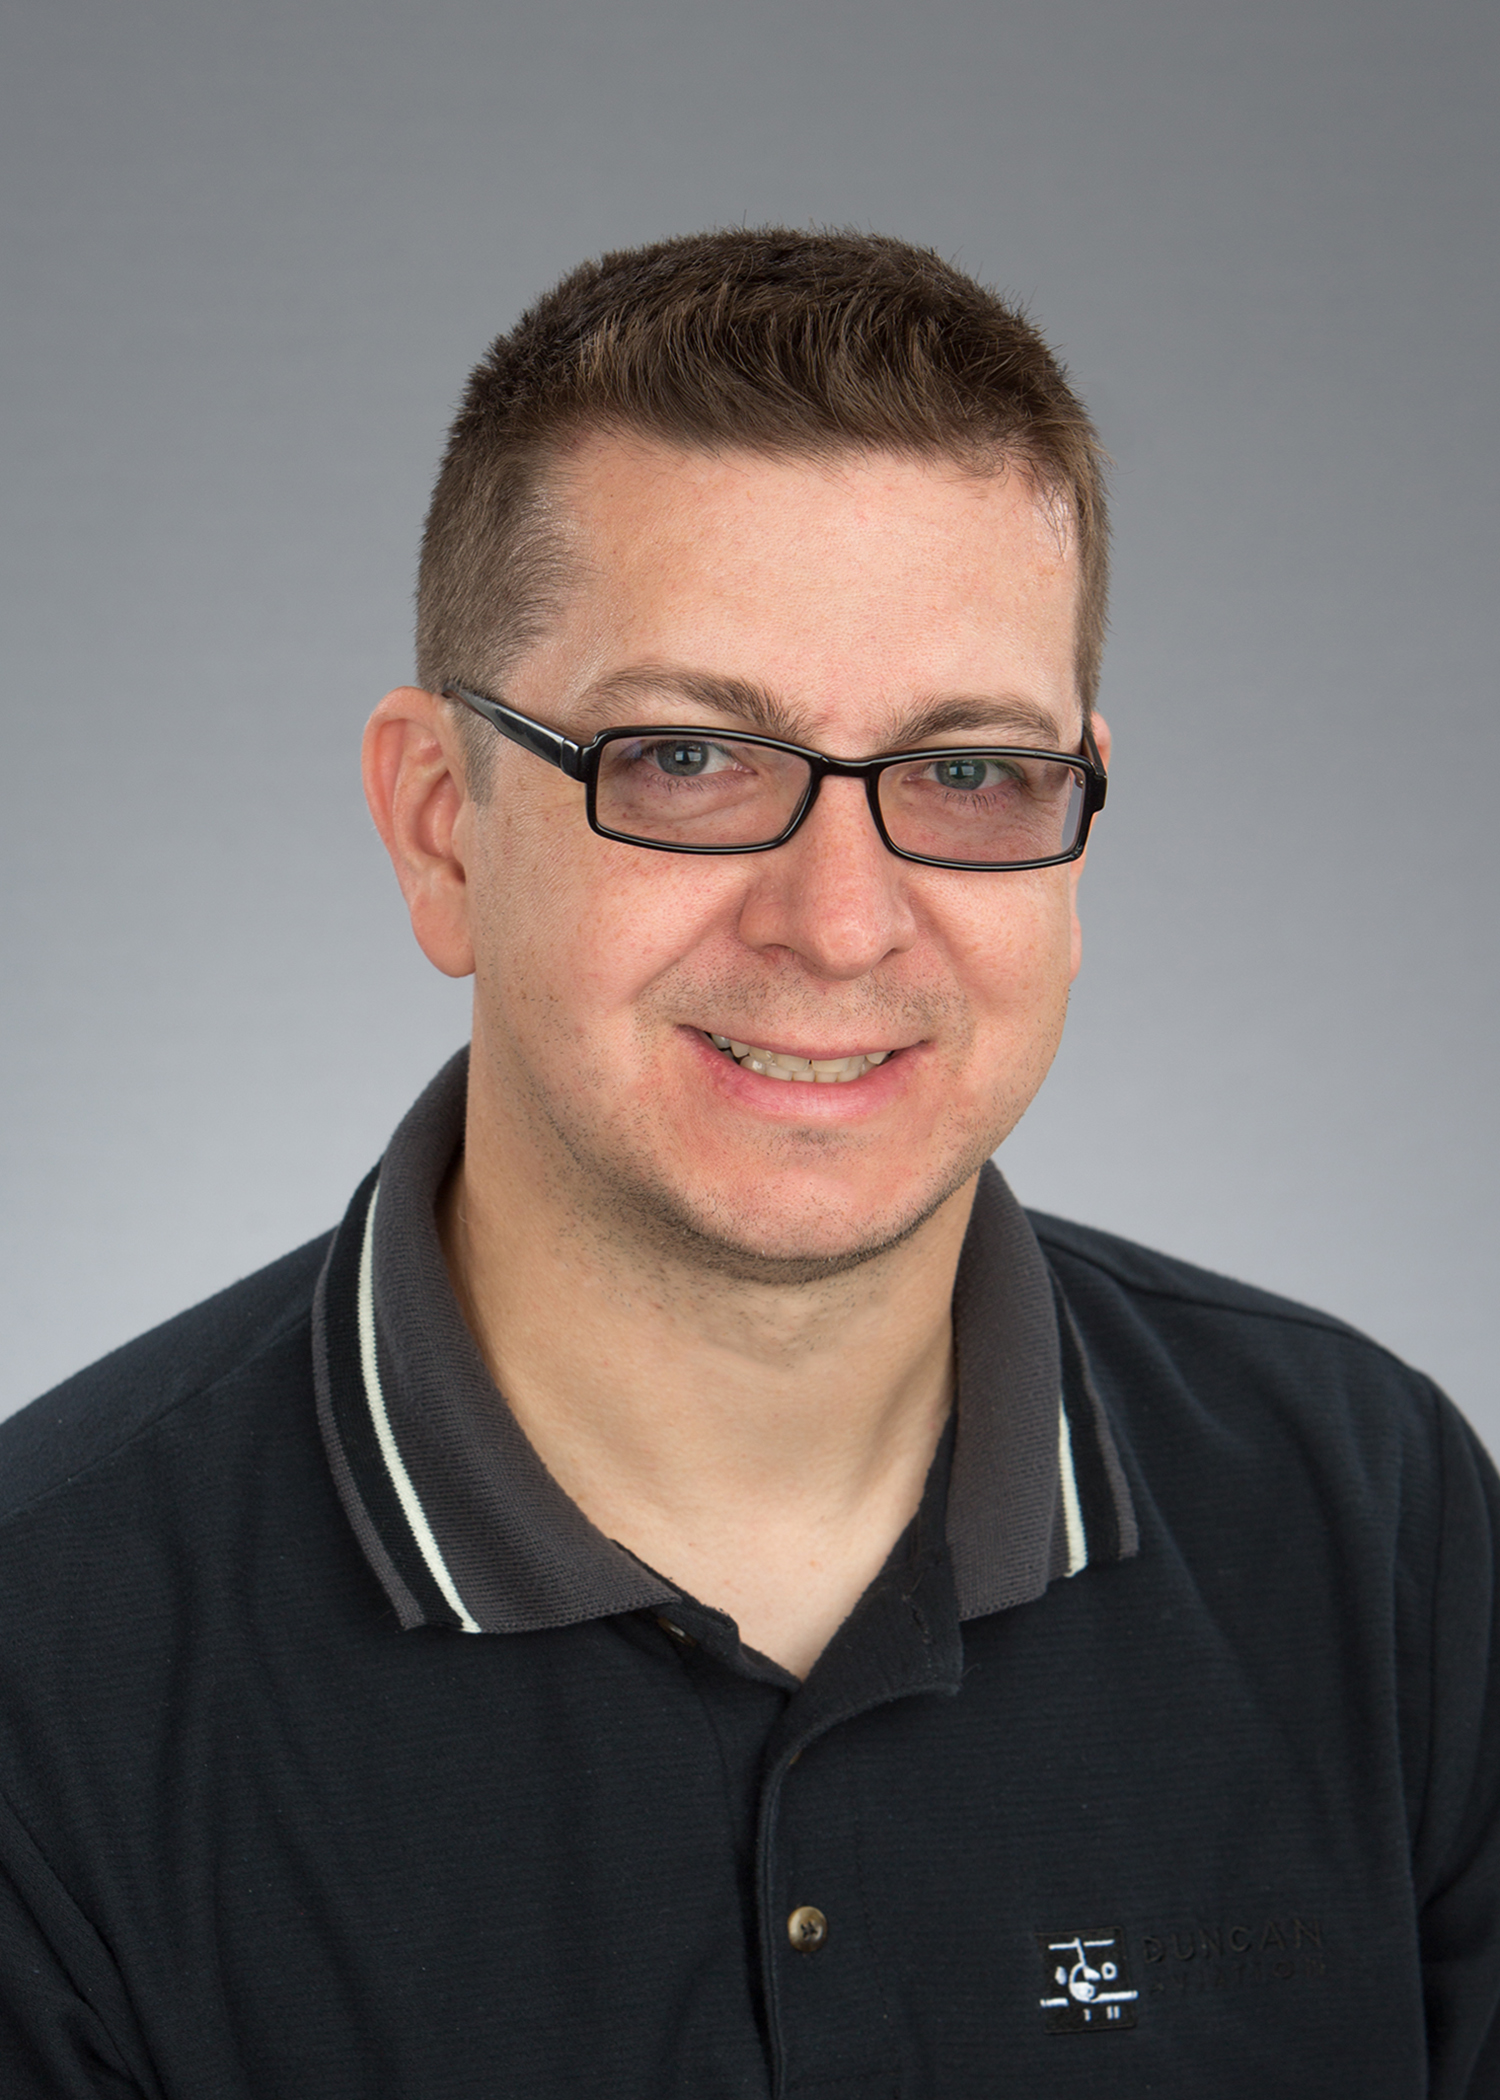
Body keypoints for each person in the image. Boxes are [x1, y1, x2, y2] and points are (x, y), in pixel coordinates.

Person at [0, 229, 1494, 2099]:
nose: (843, 923)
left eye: (967, 772)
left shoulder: (1377, 1531)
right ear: (443, 829)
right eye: (692, 758)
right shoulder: (44, 1672)